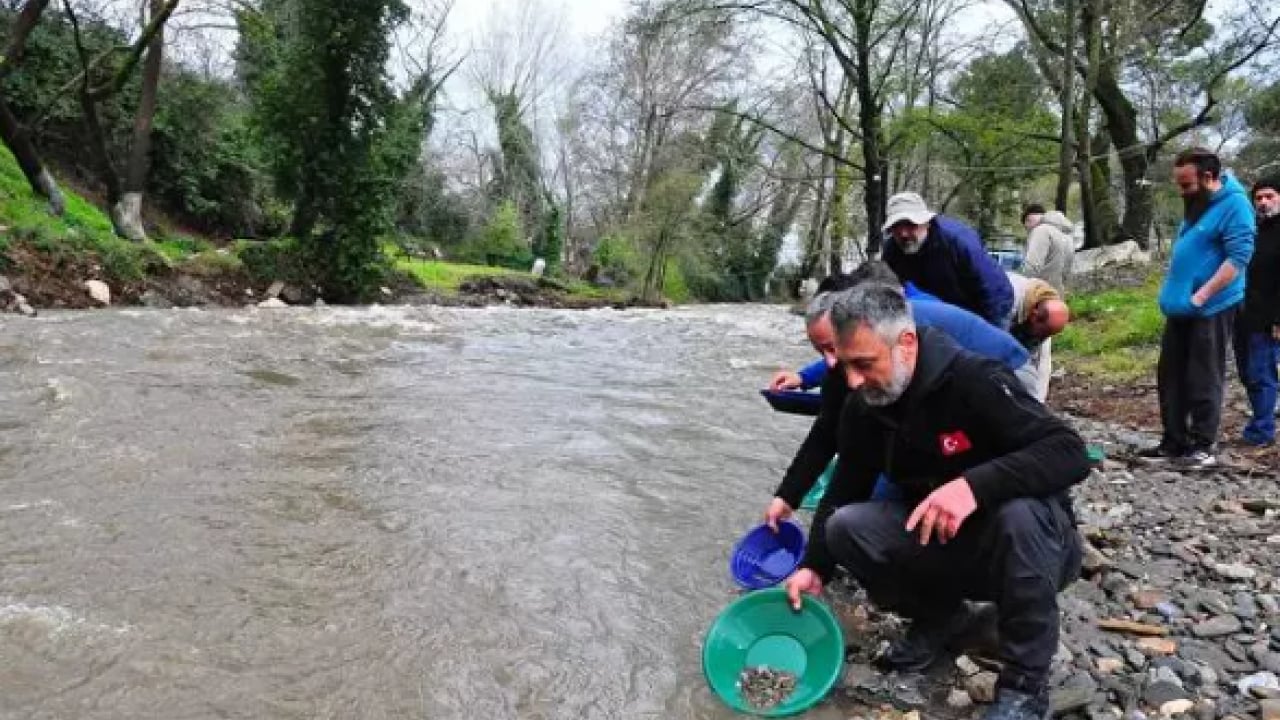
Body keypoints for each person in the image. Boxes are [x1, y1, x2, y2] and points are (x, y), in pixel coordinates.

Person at [784, 283, 1090, 720]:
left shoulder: (975, 379)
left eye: (864, 364)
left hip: (1035, 550)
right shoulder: (865, 403)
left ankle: (1024, 686)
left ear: (906, 344)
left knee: (1018, 514)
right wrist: (814, 567)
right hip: (947, 543)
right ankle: (941, 618)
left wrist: (972, 487)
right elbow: (844, 488)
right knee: (844, 528)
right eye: (845, 365)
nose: (852, 379)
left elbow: (1068, 451)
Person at [764, 261, 1040, 531]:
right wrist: (787, 497)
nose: (830, 361)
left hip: (1010, 367)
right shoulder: (853, 354)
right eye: (819, 350)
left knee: (908, 471)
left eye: (832, 348)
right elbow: (827, 430)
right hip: (948, 381)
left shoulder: (894, 328)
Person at [1140, 148, 1256, 468]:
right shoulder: (1197, 207)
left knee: (1203, 374)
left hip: (1213, 307)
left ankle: (1203, 444)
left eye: (1187, 185)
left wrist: (1201, 297)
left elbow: (1238, 259)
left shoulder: (1235, 206)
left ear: (1208, 178)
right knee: (1171, 373)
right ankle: (1174, 440)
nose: (1182, 192)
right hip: (1181, 308)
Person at [881, 191, 1014, 328]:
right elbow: (887, 291)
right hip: (944, 308)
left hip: (988, 304)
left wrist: (992, 332)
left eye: (910, 224)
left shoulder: (959, 241)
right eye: (896, 227)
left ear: (926, 223)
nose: (903, 234)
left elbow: (993, 289)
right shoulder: (892, 251)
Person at [1233, 176, 1280, 446]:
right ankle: (1263, 417)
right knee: (1248, 371)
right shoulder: (1253, 230)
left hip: (1268, 317)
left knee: (1261, 372)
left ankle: (1262, 431)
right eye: (1258, 198)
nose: (1263, 202)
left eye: (1269, 196)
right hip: (1244, 313)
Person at [1006, 272, 1071, 402]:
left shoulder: (1045, 310)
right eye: (1044, 334)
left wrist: (1037, 407)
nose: (1044, 338)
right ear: (1034, 315)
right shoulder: (1006, 299)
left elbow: (1041, 368)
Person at [1020, 204, 1076, 291]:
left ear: (1028, 221)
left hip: (1040, 294)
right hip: (1058, 292)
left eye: (1026, 227)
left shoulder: (1041, 231)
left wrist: (1022, 289)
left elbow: (1032, 266)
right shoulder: (1066, 235)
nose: (1028, 231)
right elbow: (1067, 270)